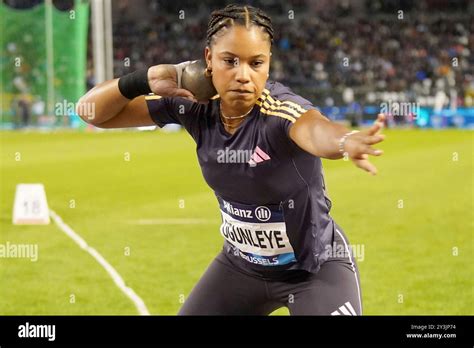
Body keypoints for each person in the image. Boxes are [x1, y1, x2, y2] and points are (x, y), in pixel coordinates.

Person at [77, 4, 386, 315]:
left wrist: (346, 141)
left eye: (256, 63)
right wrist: (144, 79)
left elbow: (316, 131)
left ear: (268, 66)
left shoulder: (280, 111)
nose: (243, 75)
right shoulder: (193, 105)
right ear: (208, 59)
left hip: (315, 270)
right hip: (240, 268)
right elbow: (91, 112)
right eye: (230, 61)